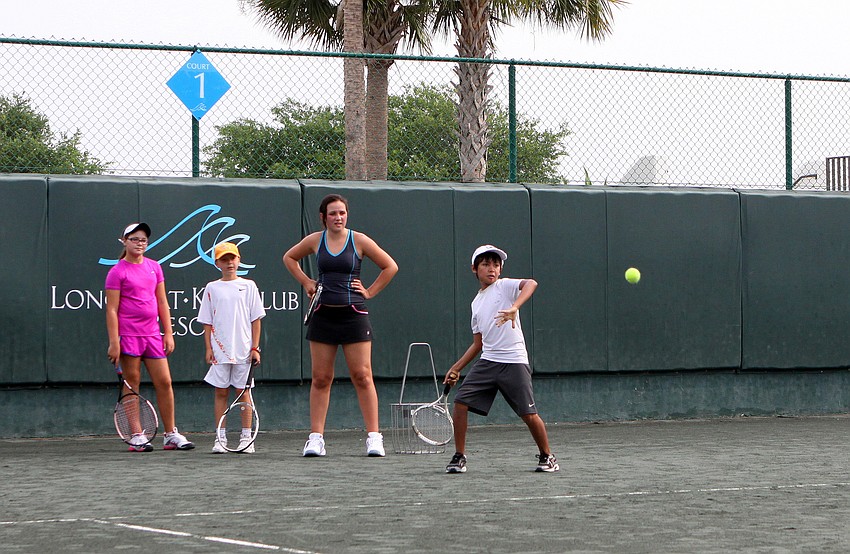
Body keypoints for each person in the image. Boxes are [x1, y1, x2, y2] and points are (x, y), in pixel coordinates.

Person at [283, 194, 398, 457]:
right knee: (321, 378)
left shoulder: (359, 240)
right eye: (333, 213)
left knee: (363, 375)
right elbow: (289, 258)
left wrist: (369, 291)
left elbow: (390, 266)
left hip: (354, 315)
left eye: (342, 213)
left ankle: (374, 437)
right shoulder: (315, 240)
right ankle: (316, 439)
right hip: (323, 316)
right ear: (323, 217)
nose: (338, 218)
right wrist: (306, 282)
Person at [443, 244, 558, 473]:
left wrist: (515, 306)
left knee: (528, 414)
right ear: (474, 269)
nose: (492, 269)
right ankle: (459, 456)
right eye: (486, 264)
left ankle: (547, 456)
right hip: (488, 361)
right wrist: (456, 367)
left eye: (496, 265)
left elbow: (531, 283)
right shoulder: (476, 303)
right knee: (460, 402)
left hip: (514, 361)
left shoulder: (504, 287)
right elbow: (478, 343)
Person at [105, 222, 195, 452]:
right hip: (128, 335)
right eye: (134, 239)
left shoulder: (155, 267)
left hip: (153, 335)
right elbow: (112, 309)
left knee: (164, 382)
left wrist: (169, 333)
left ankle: (170, 434)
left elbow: (162, 302)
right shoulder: (117, 272)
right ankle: (136, 435)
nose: (139, 243)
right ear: (124, 241)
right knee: (132, 383)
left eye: (143, 240)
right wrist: (114, 342)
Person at [197, 242, 266, 454]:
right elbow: (207, 322)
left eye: (232, 258)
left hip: (244, 350)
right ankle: (220, 438)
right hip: (220, 351)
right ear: (217, 263)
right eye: (224, 260)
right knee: (220, 392)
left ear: (239, 260)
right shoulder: (212, 288)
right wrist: (209, 348)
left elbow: (256, 319)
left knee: (243, 392)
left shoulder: (249, 286)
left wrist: (254, 347)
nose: (229, 263)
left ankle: (247, 438)